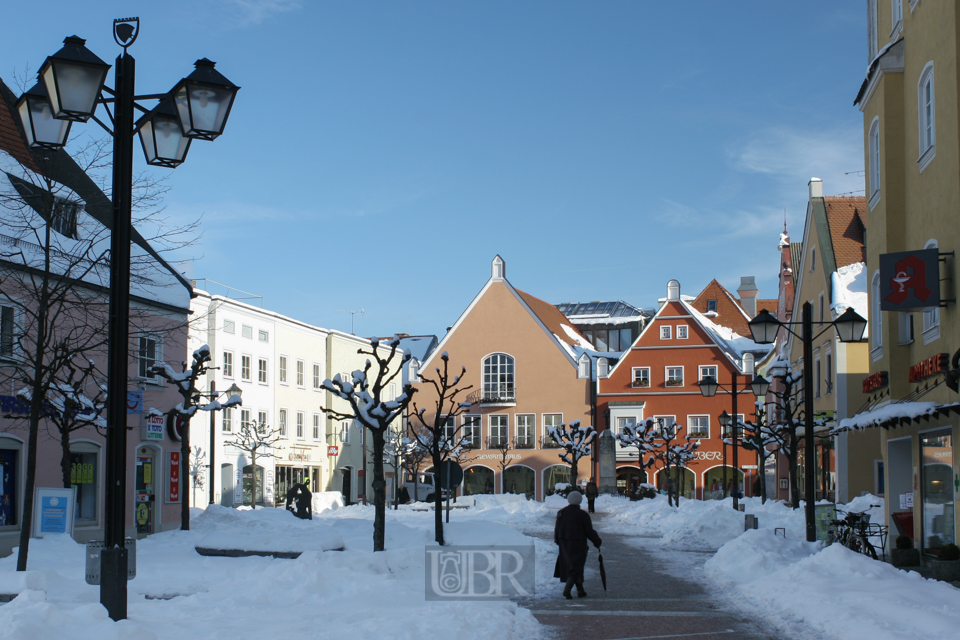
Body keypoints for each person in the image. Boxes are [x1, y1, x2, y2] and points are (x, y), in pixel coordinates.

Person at [554, 491, 602, 600]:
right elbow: (588, 531)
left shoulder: (561, 513)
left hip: (564, 543)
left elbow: (557, 528)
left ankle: (580, 590)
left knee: (572, 565)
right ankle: (567, 590)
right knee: (576, 566)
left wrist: (558, 540)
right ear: (579, 501)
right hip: (578, 543)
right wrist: (596, 541)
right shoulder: (583, 515)